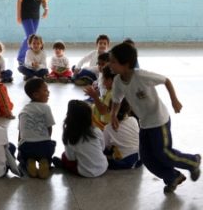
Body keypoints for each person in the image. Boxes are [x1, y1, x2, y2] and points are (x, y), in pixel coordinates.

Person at [109, 43, 201, 193]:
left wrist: (174, 100)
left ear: (126, 64)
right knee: (146, 158)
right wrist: (113, 115)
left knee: (163, 153)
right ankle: (173, 177)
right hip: (145, 123)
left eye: (113, 61)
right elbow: (116, 99)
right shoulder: (118, 81)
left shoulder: (141, 76)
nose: (109, 64)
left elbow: (166, 80)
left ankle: (192, 161)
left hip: (159, 121)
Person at [56, 100, 108, 177]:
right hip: (103, 167)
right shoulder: (96, 130)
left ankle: (62, 165)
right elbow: (102, 148)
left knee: (64, 156)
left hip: (85, 172)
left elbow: (71, 158)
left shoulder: (70, 135)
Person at [18, 78, 56, 179]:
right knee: (51, 145)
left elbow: (20, 132)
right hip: (44, 146)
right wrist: (46, 140)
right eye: (45, 90)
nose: (48, 92)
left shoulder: (23, 110)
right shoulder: (46, 108)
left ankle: (29, 161)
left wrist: (20, 146)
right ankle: (45, 161)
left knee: (21, 155)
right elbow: (49, 128)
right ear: (36, 95)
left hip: (27, 146)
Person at [17, 0, 48, 65]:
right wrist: (18, 15)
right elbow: (19, 1)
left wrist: (46, 9)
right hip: (26, 14)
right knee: (31, 36)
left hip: (36, 15)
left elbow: (44, 0)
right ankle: (22, 58)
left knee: (29, 37)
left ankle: (22, 57)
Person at [104, 99, 141, 170]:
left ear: (109, 110)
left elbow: (104, 146)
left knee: (103, 155)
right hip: (141, 157)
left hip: (127, 162)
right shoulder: (133, 119)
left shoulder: (108, 128)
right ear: (128, 109)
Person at [83, 65, 114, 130]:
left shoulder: (111, 93)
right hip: (104, 120)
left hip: (104, 124)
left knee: (83, 115)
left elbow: (103, 111)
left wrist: (95, 97)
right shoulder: (110, 90)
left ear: (111, 80)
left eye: (104, 79)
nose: (103, 82)